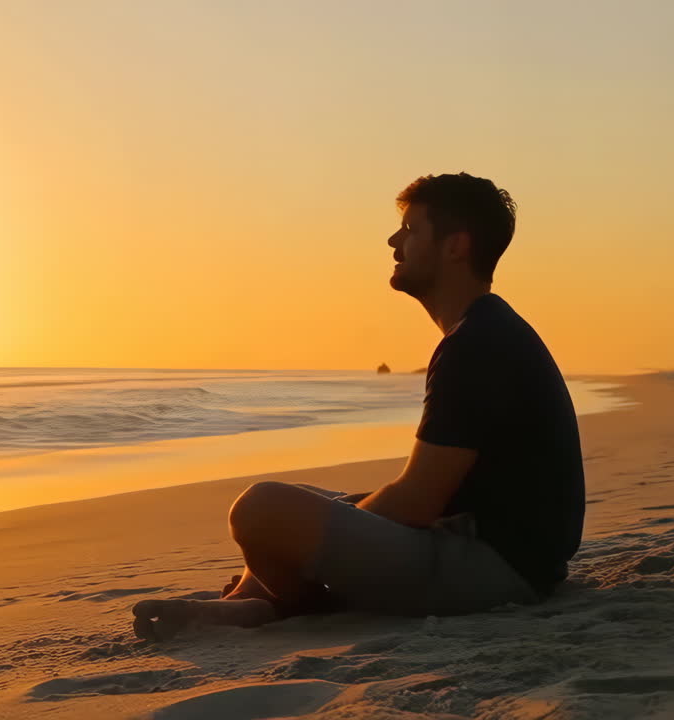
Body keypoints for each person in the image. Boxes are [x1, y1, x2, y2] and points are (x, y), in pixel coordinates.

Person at [132, 172, 585, 640]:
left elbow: (416, 500)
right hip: (498, 551)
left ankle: (279, 601)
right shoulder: (485, 330)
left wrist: (296, 549)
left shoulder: (477, 343)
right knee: (314, 500)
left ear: (456, 247)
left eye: (410, 230)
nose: (394, 241)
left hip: (495, 571)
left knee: (260, 508)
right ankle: (252, 602)